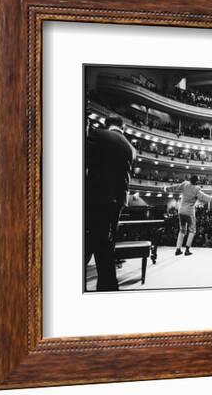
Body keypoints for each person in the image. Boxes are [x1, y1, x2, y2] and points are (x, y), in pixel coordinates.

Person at [85, 116, 136, 291]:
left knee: (97, 242)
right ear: (124, 127)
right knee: (104, 242)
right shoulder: (130, 147)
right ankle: (108, 286)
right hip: (119, 201)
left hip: (97, 197)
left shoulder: (99, 135)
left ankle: (107, 286)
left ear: (107, 125)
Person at [163, 175, 212, 256]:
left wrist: (166, 188)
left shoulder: (185, 184)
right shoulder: (196, 189)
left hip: (181, 211)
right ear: (196, 182)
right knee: (192, 230)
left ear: (190, 180)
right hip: (189, 212)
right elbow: (204, 197)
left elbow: (176, 187)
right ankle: (187, 250)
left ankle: (178, 249)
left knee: (182, 230)